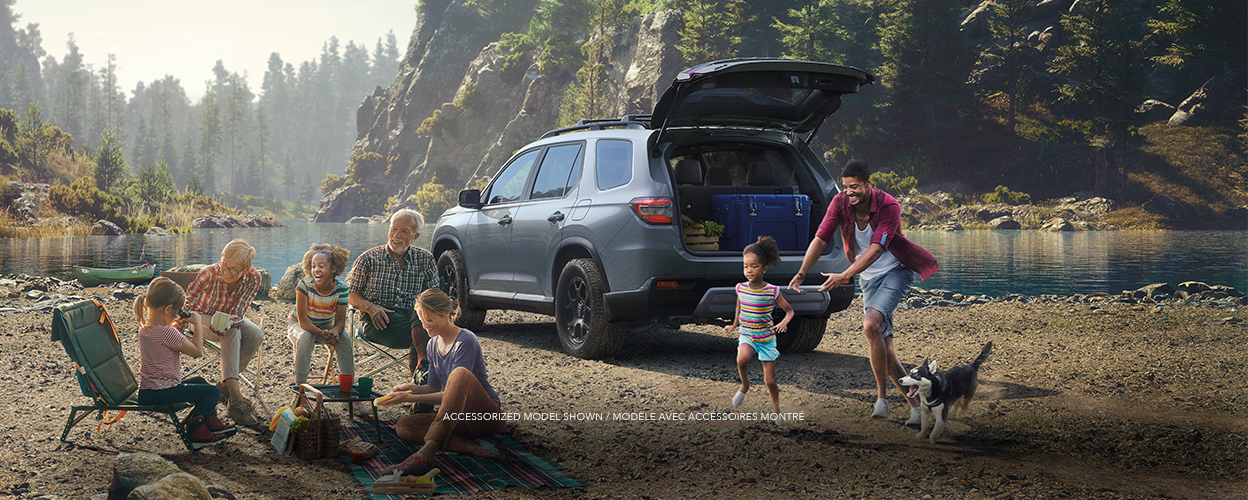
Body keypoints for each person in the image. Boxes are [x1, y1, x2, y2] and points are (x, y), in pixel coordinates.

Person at [788, 159, 939, 425]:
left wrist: (845, 275)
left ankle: (881, 398)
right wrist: (802, 271)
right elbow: (821, 237)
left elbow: (877, 248)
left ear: (868, 184)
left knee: (871, 325)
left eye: (855, 187)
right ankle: (917, 408)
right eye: (846, 187)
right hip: (868, 278)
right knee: (887, 351)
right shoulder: (840, 202)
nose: (850, 192)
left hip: (895, 270)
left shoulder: (888, 205)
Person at [377, 289, 505, 475]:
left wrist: (409, 399)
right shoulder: (432, 344)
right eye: (422, 320)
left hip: (484, 417)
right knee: (405, 426)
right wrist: (410, 389)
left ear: (446, 314)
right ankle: (476, 448)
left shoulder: (466, 341)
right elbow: (433, 388)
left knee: (459, 374)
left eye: (429, 319)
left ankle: (425, 455)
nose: (425, 325)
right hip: (457, 418)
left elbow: (450, 394)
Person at [347, 209, 440, 392]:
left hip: (416, 318)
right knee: (428, 334)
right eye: (393, 229)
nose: (396, 235)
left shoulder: (426, 259)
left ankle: (423, 372)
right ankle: (424, 375)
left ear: (415, 236)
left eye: (404, 231)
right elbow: (350, 294)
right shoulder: (368, 259)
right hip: (379, 320)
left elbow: (434, 296)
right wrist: (371, 308)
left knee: (422, 306)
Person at [134, 277, 235, 446]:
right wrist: (196, 324)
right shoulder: (168, 333)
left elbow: (163, 338)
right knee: (212, 392)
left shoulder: (144, 329)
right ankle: (197, 431)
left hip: (148, 391)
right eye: (175, 313)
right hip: (163, 392)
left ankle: (209, 422)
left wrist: (174, 326)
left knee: (200, 381)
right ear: (168, 309)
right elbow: (197, 351)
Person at [186, 238, 264, 425]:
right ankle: (236, 401)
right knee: (232, 332)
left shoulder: (254, 278)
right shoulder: (209, 273)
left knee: (255, 334)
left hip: (229, 320)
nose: (226, 272)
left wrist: (230, 322)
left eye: (234, 269)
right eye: (225, 264)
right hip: (199, 319)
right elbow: (186, 303)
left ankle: (224, 386)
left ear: (245, 269)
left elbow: (239, 310)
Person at [724, 236, 794, 426]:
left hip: (766, 339)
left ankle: (777, 410)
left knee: (770, 381)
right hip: (747, 334)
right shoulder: (740, 288)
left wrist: (784, 322)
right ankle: (745, 385)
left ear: (764, 268)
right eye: (746, 266)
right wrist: (734, 324)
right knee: (741, 359)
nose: (748, 270)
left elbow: (789, 310)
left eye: (754, 266)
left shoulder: (772, 291)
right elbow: (740, 306)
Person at [287, 243, 353, 385]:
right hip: (298, 324)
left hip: (324, 325)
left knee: (344, 338)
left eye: (321, 266)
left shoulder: (341, 289)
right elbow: (303, 322)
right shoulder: (304, 285)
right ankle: (300, 390)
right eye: (313, 266)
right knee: (306, 336)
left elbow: (340, 321)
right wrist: (323, 333)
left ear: (334, 268)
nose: (316, 270)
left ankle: (348, 389)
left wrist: (334, 331)